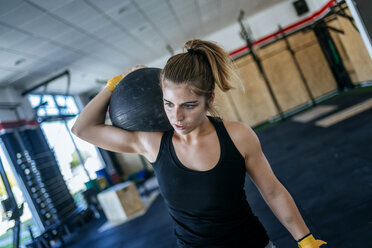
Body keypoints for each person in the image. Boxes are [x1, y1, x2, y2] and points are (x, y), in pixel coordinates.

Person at [72, 39, 327, 248]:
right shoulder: (152, 143)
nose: (176, 117)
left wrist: (305, 239)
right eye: (169, 104)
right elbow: (82, 129)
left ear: (209, 99)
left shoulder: (238, 136)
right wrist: (113, 85)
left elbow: (272, 191)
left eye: (189, 105)